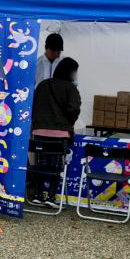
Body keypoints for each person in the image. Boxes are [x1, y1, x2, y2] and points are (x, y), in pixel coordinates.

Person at [28, 59, 81, 205]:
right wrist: (69, 121)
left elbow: (32, 106)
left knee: (40, 165)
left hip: (39, 132)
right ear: (71, 72)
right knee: (56, 167)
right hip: (60, 133)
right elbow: (74, 109)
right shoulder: (71, 88)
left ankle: (38, 195)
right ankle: (51, 197)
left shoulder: (43, 84)